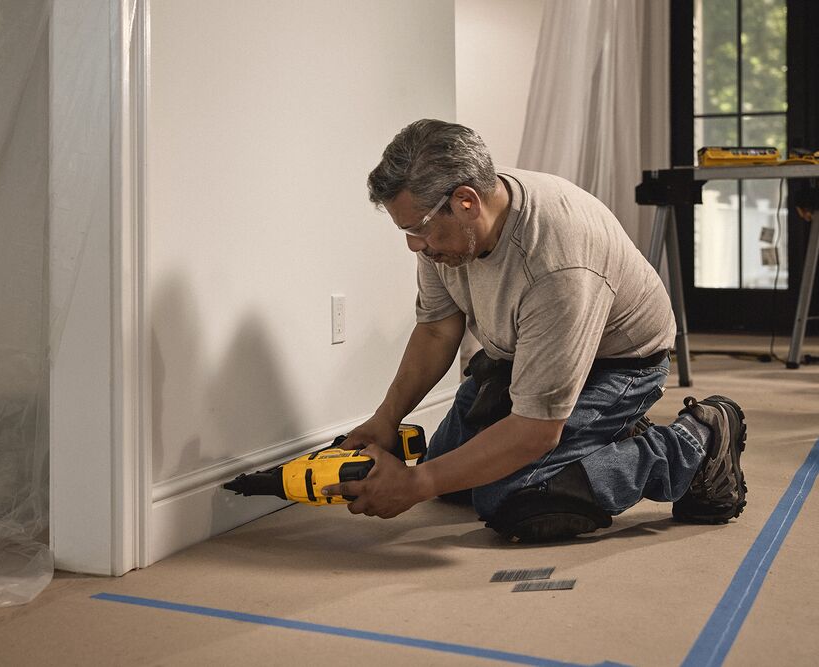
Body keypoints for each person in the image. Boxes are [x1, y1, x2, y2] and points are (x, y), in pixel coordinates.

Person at [320, 119, 747, 542]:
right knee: (452, 474)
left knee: (513, 498)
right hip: (522, 354)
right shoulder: (447, 231)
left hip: (619, 365)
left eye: (417, 229)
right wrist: (386, 419)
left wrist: (416, 485)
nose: (414, 245)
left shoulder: (556, 263)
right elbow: (436, 330)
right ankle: (597, 432)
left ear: (466, 201)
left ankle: (693, 442)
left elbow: (534, 431)